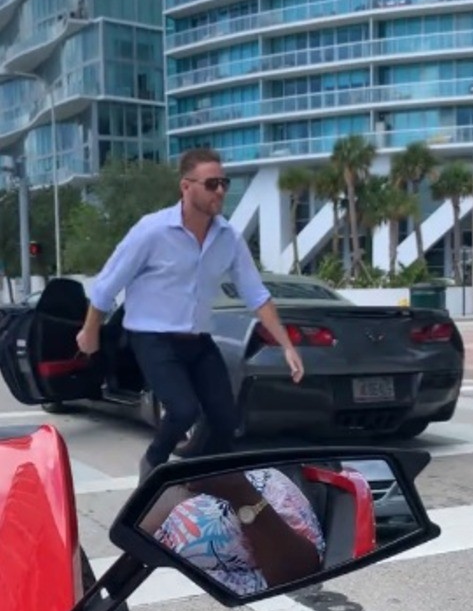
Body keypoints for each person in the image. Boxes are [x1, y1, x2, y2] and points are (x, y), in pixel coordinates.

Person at [77, 148, 306, 483]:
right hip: (153, 339)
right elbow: (107, 284)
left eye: (224, 183)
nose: (221, 191)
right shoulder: (152, 231)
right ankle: (154, 463)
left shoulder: (228, 237)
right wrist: (90, 330)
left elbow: (256, 294)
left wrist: (287, 345)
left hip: (198, 340)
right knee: (183, 410)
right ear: (186, 187)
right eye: (212, 184)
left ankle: (201, 479)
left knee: (226, 420)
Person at [142, 468, 325, 595]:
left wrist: (241, 493)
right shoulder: (173, 483)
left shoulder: (271, 484)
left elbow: (301, 572)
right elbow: (137, 542)